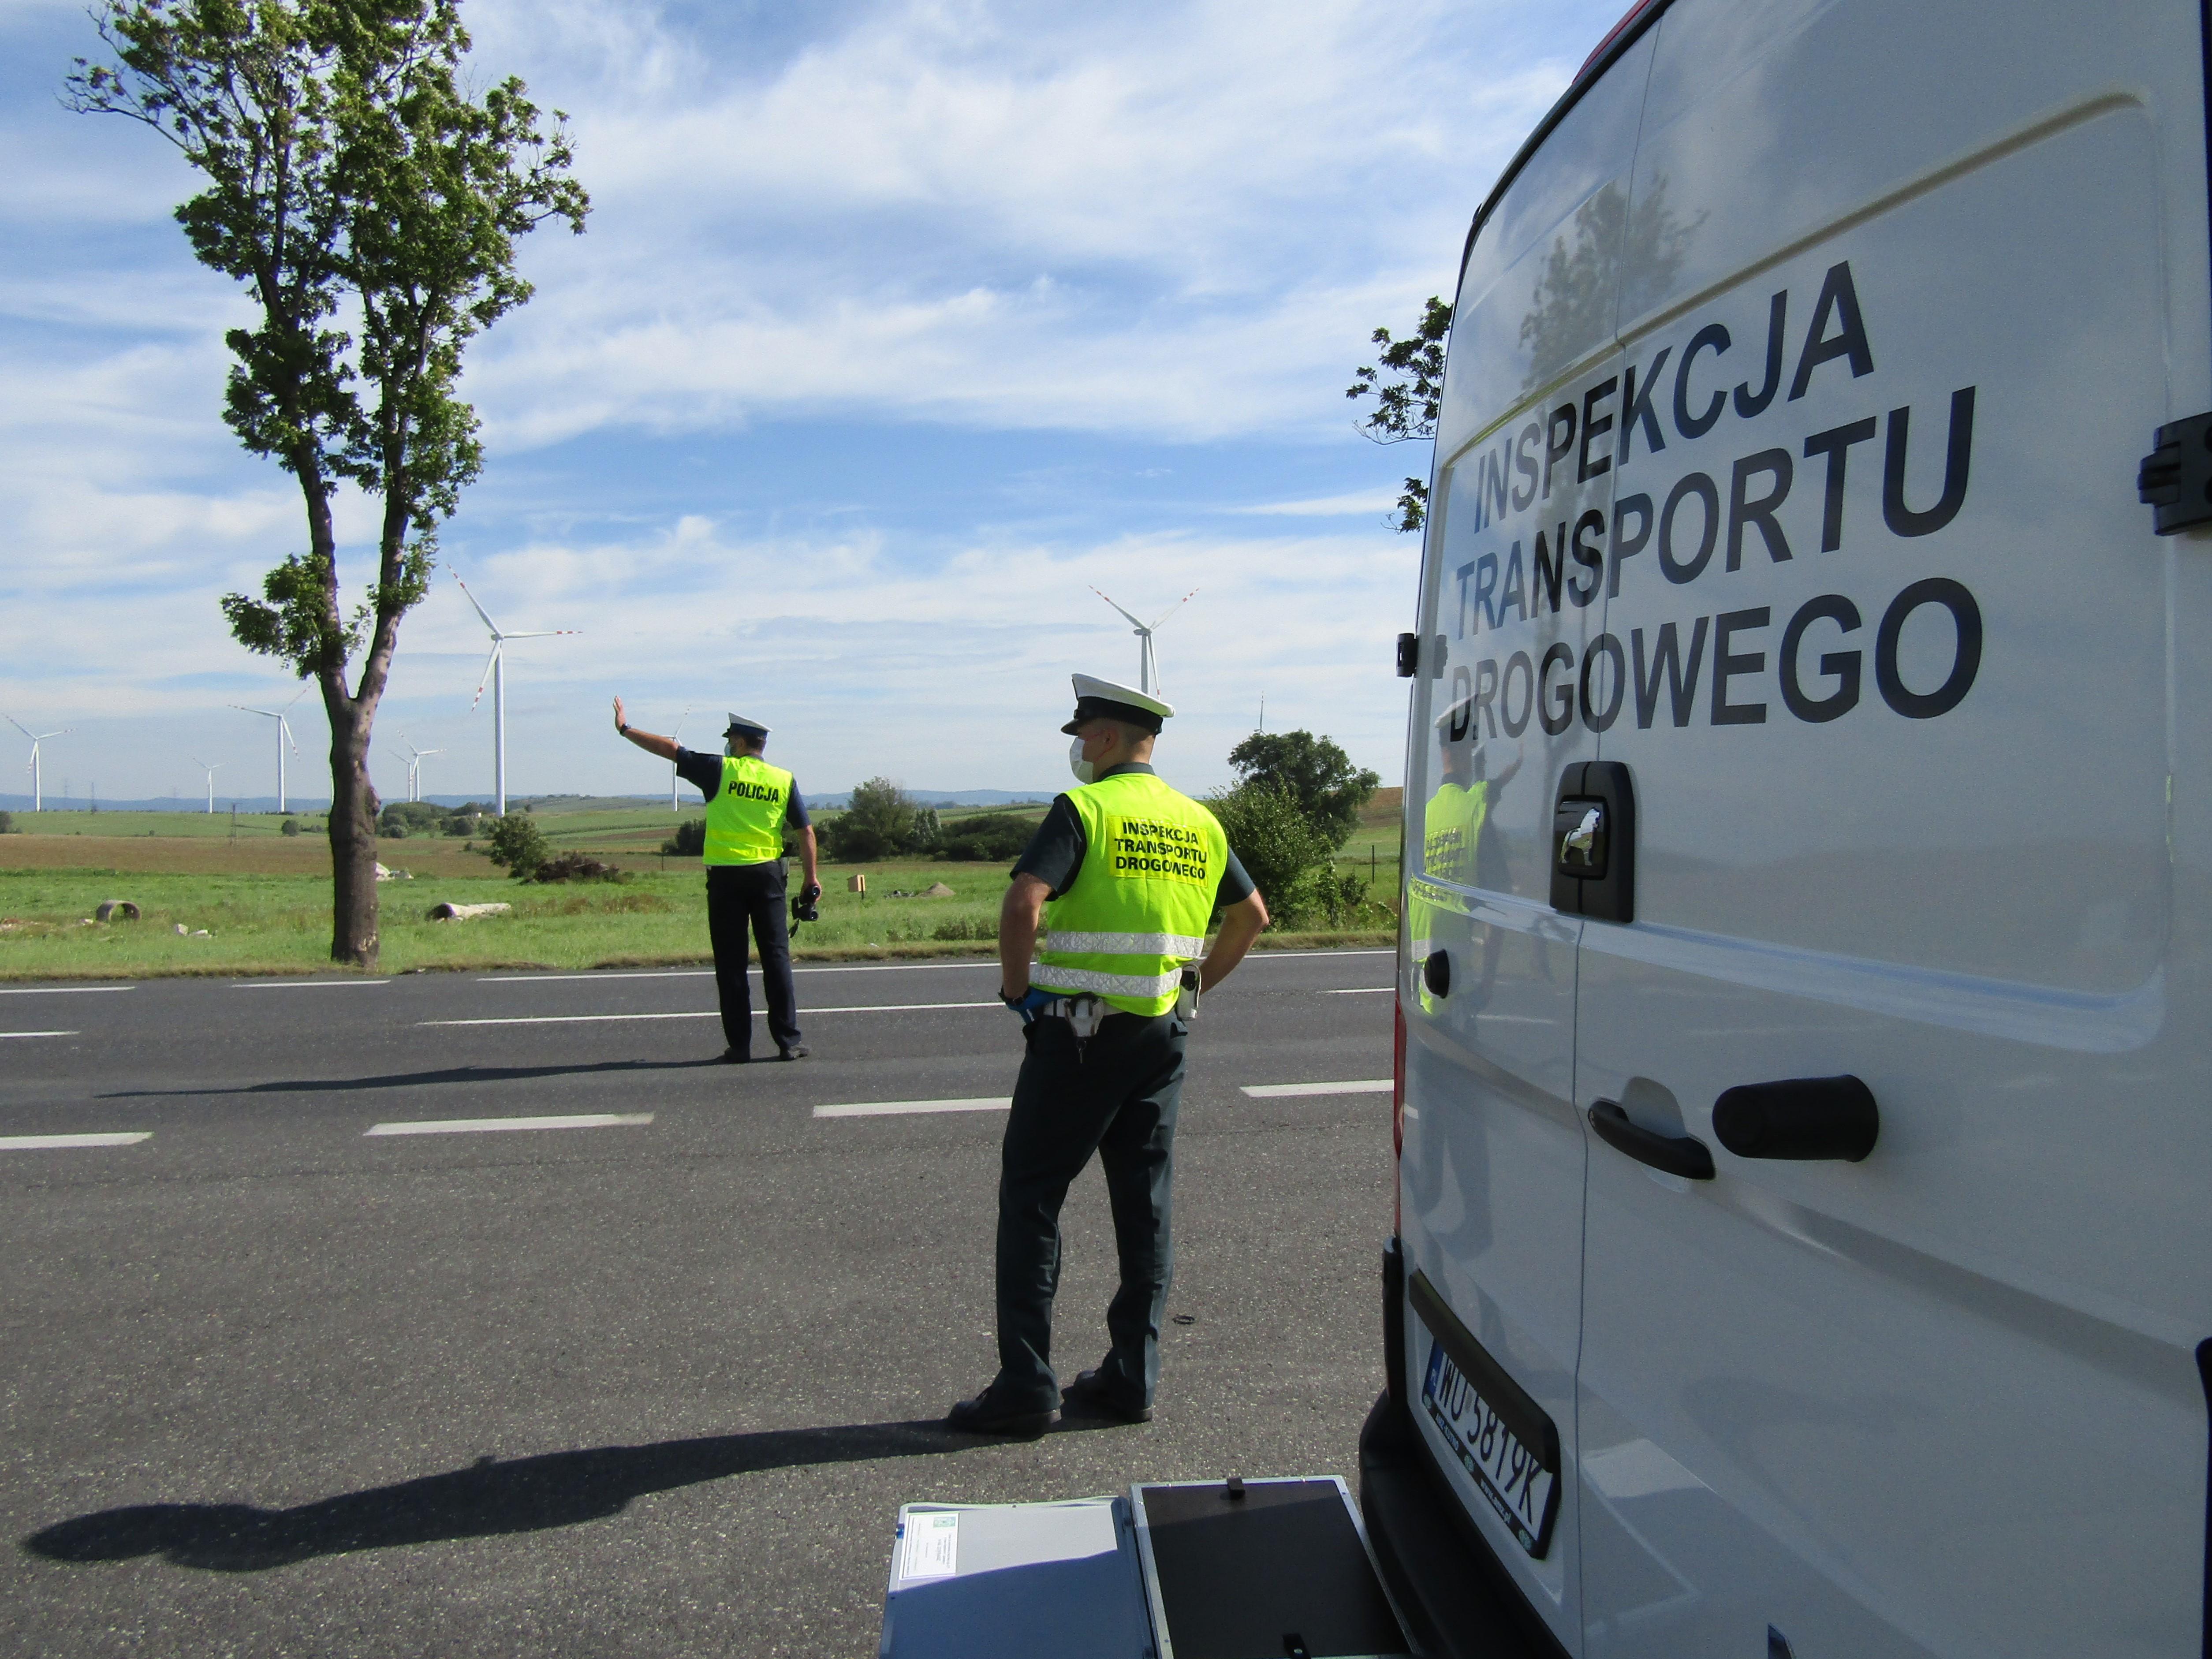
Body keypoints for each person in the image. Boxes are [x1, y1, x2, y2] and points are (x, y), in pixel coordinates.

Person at [947, 674, 1271, 1437]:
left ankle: (1026, 1385)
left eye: (1081, 733)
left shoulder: (1084, 808)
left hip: (1078, 1036)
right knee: (1144, 1202)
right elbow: (1252, 915)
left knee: (1032, 1195)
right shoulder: (1199, 821)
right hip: (1162, 1036)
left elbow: (1024, 901)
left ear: (1104, 737)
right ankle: (1132, 1377)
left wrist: (1018, 993)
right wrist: (1194, 989)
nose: (1077, 747)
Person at [612, 699, 820, 1063]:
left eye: (730, 739)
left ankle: (739, 1046)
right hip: (768, 876)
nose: (727, 745)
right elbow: (806, 832)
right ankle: (788, 1042)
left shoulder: (719, 770)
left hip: (726, 878)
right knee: (776, 959)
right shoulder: (783, 779)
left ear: (739, 742)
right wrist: (811, 878)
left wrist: (626, 729)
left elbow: (670, 750)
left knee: (731, 963)